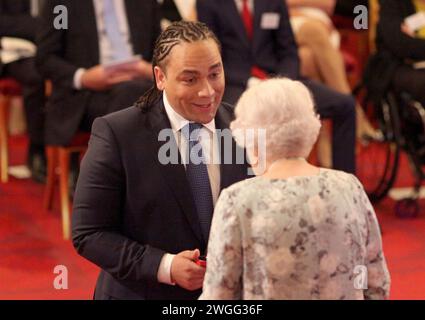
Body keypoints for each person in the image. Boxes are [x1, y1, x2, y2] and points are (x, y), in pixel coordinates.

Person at [72, 21, 250, 300]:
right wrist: (164, 266)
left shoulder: (245, 127)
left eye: (215, 74)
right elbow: (90, 233)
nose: (207, 91)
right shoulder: (118, 133)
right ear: (160, 77)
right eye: (190, 79)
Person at [199, 78, 391, 300]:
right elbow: (375, 282)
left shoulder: (237, 200)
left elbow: (219, 296)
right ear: (310, 127)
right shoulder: (350, 187)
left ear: (251, 140)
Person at [197, 0, 356, 174]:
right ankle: (243, 188)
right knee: (230, 119)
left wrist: (282, 82)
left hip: (277, 78)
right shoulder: (209, 3)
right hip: (235, 83)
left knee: (345, 105)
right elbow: (211, 57)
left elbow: (289, 51)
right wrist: (249, 81)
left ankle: (344, 182)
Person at [36, 0, 161, 147]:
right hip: (85, 95)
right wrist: (83, 77)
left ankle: (113, 168)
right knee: (138, 99)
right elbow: (46, 58)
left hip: (141, 84)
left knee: (153, 95)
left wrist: (151, 70)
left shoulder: (144, 3)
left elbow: (160, 51)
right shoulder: (62, 6)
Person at [0, 0, 46, 182]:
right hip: (14, 51)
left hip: (50, 48)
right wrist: (40, 26)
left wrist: (58, 29)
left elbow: (63, 16)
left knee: (68, 75)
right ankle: (37, 148)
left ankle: (72, 156)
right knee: (37, 77)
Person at [377, 0, 425, 107]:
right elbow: (400, 44)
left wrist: (415, 41)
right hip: (401, 66)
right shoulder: (394, 3)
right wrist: (414, 44)